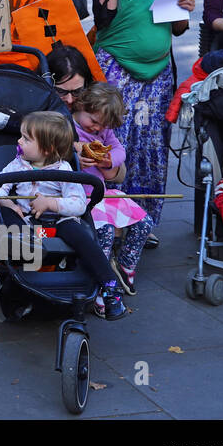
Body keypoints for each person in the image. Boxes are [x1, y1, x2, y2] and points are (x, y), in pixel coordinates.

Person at [90, 0, 194, 248]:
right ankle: (110, 217)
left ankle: (142, 221)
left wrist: (185, 7)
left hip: (158, 73)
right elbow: (103, 19)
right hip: (117, 67)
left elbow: (178, 28)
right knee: (116, 141)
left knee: (150, 147)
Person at [0, 110, 126, 320]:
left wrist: (51, 203)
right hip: (32, 227)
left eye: (26, 139)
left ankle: (110, 287)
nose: (19, 141)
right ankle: (17, 275)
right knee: (3, 214)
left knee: (82, 237)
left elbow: (79, 204)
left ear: (47, 149)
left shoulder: (63, 169)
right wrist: (9, 203)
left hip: (59, 226)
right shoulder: (17, 165)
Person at [70, 82, 152, 300]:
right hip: (79, 197)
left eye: (102, 125)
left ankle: (126, 264)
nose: (96, 128)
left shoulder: (103, 131)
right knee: (104, 231)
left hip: (101, 194)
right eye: (94, 121)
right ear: (80, 106)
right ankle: (102, 282)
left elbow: (119, 150)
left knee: (144, 223)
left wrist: (108, 161)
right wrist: (74, 158)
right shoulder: (67, 127)